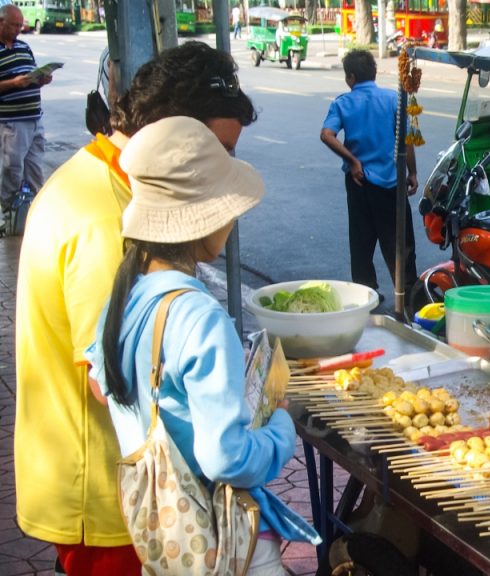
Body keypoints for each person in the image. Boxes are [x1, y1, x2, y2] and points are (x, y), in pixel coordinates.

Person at [15, 41, 257, 576]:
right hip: (110, 498)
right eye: (215, 151)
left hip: (117, 489)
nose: (223, 169)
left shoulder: (110, 183)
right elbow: (118, 379)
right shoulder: (107, 217)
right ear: (172, 136)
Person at [85, 115, 319, 575]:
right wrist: (281, 427)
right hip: (223, 537)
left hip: (166, 535)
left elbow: (102, 383)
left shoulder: (125, 291)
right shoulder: (198, 316)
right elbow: (225, 456)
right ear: (203, 217)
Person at [320, 49, 418, 300]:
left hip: (359, 180)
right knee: (399, 240)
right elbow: (406, 141)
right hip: (392, 182)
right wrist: (413, 172)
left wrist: (352, 160)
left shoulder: (342, 102)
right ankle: (406, 294)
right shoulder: (394, 99)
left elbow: (326, 135)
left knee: (361, 240)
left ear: (350, 77)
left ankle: (367, 295)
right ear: (374, 73)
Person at [0, 4, 52, 218]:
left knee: (35, 168)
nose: (18, 29)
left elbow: (31, 76)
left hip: (34, 118)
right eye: (14, 25)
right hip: (12, 122)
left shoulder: (24, 47)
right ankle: (9, 212)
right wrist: (13, 83)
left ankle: (34, 213)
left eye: (20, 25)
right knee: (12, 170)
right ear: (1, 22)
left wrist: (40, 80)